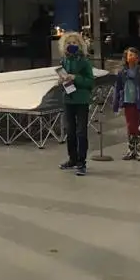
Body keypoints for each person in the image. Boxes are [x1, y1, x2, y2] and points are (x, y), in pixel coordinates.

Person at [57, 31, 95, 176]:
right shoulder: (64, 61)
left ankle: (81, 162)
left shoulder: (85, 62)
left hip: (81, 100)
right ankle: (72, 159)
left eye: (74, 43)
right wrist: (62, 81)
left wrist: (76, 78)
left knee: (81, 132)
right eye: (68, 43)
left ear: (80, 46)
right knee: (70, 131)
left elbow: (90, 82)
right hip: (68, 99)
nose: (71, 46)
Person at [113, 47, 140, 160]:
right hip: (127, 102)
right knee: (130, 126)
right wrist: (116, 104)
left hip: (138, 103)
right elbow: (117, 88)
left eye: (134, 56)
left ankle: (138, 150)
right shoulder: (122, 73)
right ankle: (131, 150)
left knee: (137, 127)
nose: (132, 58)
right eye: (130, 55)